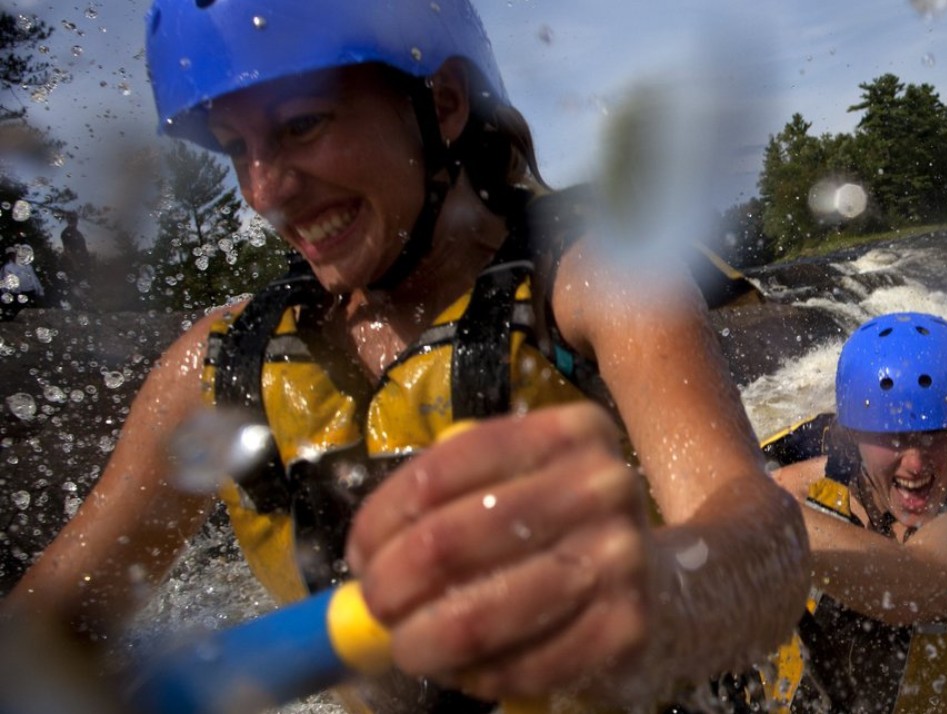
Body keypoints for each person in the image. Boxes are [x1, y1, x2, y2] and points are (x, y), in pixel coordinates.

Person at [3, 0, 808, 711]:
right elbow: (43, 628)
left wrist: (659, 596)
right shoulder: (211, 372)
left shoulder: (597, 283)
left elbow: (759, 534)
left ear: (444, 103)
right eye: (234, 146)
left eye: (300, 125)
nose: (264, 190)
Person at [760, 312, 947, 713]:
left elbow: (916, 585)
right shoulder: (798, 490)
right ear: (853, 431)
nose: (916, 463)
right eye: (892, 436)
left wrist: (760, 518)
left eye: (935, 433)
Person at [0, 245, 44, 321]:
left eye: (14, 254)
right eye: (10, 255)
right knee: (18, 312)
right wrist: (9, 292)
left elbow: (34, 278)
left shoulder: (26, 266)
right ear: (8, 256)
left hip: (30, 291)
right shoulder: (7, 267)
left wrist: (39, 290)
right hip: (18, 293)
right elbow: (5, 281)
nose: (13, 256)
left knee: (33, 310)